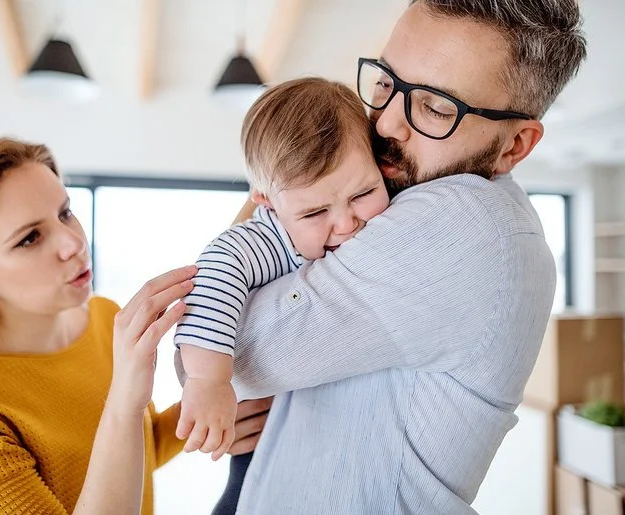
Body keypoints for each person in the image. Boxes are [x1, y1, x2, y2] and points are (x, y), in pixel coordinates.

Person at [219, 1, 588, 514]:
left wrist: (280, 186)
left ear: (515, 145)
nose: (387, 122)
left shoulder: (469, 222)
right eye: (387, 81)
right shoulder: (393, 198)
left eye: (437, 108)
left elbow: (229, 353)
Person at [0, 138, 271, 514]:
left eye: (65, 212)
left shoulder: (103, 317)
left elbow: (132, 448)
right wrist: (124, 401)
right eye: (30, 238)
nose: (72, 242)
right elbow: (118, 429)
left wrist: (198, 418)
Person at [171, 78, 390, 512]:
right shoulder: (270, 238)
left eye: (363, 193)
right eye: (315, 212)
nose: (346, 223)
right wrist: (208, 379)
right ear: (267, 203)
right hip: (258, 443)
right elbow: (217, 269)